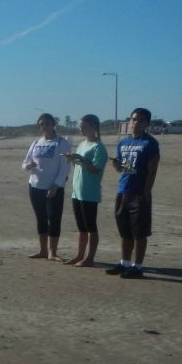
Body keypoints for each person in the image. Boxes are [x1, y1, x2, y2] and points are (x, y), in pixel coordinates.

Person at [106, 107, 161, 279]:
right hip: (123, 191)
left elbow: (152, 170)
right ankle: (124, 263)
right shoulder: (123, 143)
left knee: (139, 233)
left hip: (139, 193)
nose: (135, 123)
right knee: (125, 232)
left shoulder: (149, 143)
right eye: (133, 119)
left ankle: (138, 266)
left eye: (140, 120)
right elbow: (126, 168)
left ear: (147, 124)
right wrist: (117, 166)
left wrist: (145, 192)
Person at [21, 113, 71, 260]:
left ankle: (52, 252)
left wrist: (56, 185)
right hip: (35, 186)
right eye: (41, 124)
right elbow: (25, 164)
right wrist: (29, 166)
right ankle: (43, 250)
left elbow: (65, 167)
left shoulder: (62, 143)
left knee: (54, 219)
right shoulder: (36, 143)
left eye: (47, 123)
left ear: (53, 124)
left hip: (54, 188)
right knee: (41, 218)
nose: (44, 126)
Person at [64, 114, 108, 267]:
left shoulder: (99, 147)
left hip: (89, 192)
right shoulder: (82, 144)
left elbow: (96, 169)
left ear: (93, 127)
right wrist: (73, 160)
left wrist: (82, 160)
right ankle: (79, 255)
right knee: (81, 227)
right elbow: (79, 167)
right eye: (80, 127)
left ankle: (90, 258)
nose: (81, 130)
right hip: (77, 191)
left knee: (91, 226)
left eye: (84, 127)